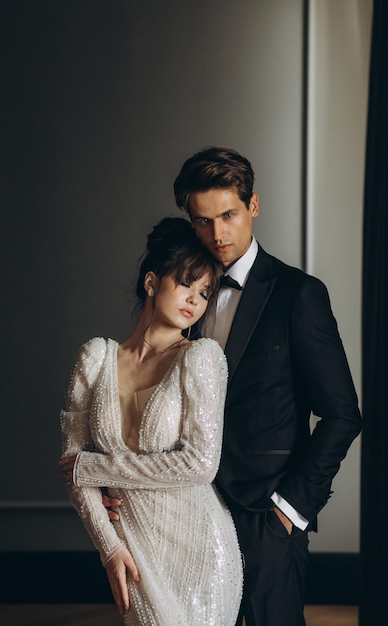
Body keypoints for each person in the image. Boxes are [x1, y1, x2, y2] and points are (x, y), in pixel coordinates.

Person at [167, 146, 362, 626]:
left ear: (253, 205)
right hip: (192, 514)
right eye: (203, 221)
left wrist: (290, 508)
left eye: (228, 215)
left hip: (266, 517)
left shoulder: (299, 294)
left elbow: (342, 414)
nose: (217, 234)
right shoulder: (184, 296)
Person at [59, 216, 243, 625]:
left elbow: (199, 464)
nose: (195, 301)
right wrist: (110, 549)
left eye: (204, 292)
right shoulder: (95, 358)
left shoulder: (201, 358)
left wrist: (96, 467)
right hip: (133, 546)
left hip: (200, 546)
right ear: (151, 282)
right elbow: (73, 468)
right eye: (185, 284)